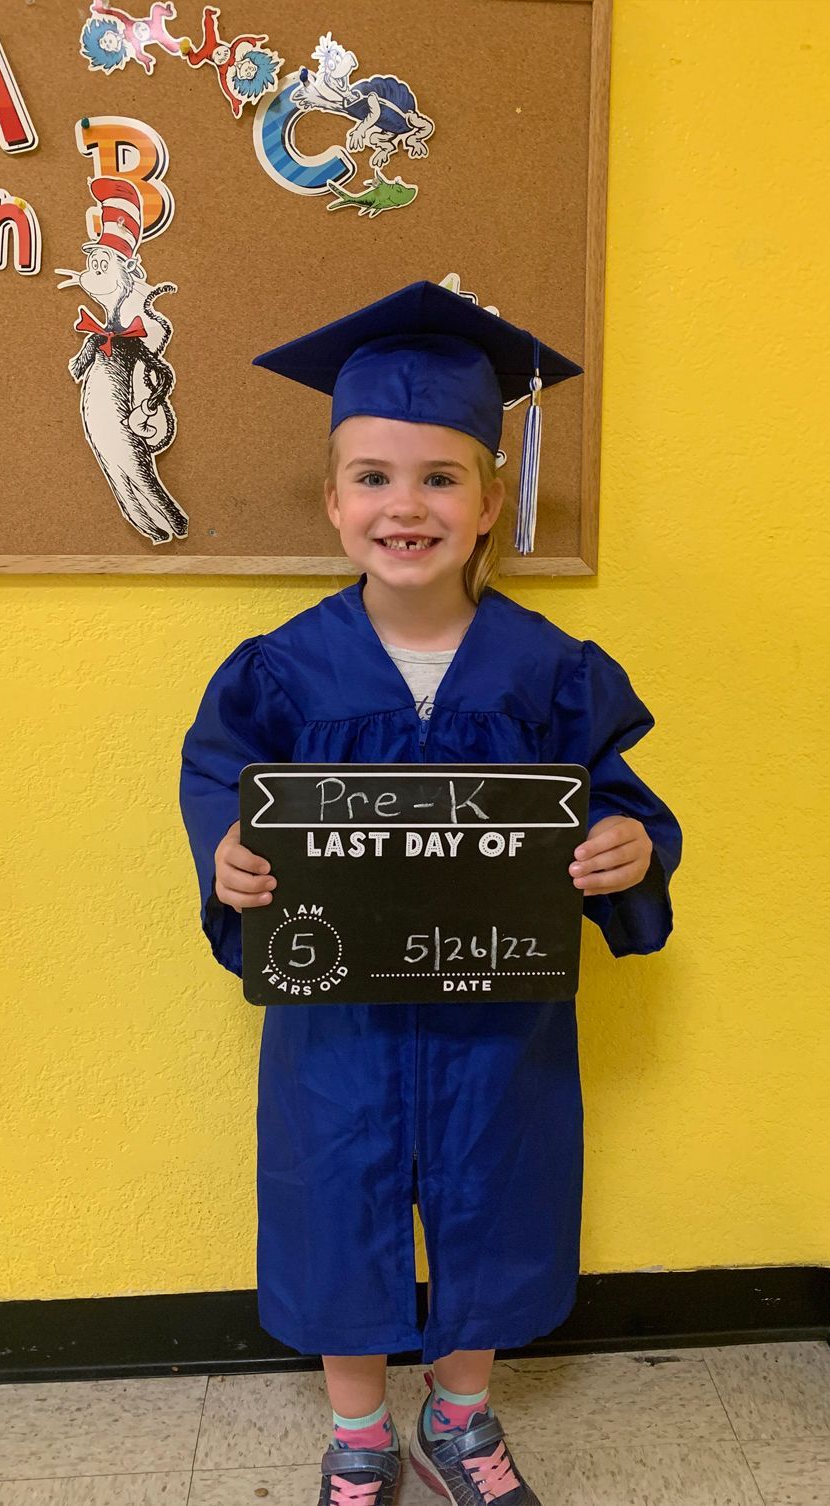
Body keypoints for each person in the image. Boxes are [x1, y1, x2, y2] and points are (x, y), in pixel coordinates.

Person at [179, 280, 683, 1506]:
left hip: (496, 1019)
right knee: (334, 1195)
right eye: (371, 477)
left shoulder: (547, 670)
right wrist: (227, 858)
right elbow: (218, 790)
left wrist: (630, 842)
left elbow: (616, 796)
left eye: (439, 478)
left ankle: (458, 1419)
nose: (404, 506)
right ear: (332, 499)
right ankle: (358, 1433)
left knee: (493, 1191)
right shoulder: (280, 671)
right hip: (335, 1018)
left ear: (489, 500)